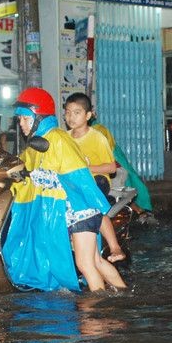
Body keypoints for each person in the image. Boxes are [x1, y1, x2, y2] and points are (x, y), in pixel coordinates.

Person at [2, 87, 126, 292]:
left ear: (37, 116)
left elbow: (69, 176)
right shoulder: (39, 142)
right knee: (96, 262)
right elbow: (23, 163)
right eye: (20, 120)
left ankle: (98, 309)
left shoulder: (56, 139)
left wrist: (31, 175)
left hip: (81, 209)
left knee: (85, 264)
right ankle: (124, 293)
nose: (21, 124)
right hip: (77, 210)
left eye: (25, 119)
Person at [63, 92, 126, 262]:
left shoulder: (97, 137)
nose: (71, 117)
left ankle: (115, 247)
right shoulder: (64, 139)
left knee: (94, 203)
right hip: (74, 182)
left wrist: (86, 169)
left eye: (77, 112)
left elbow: (112, 167)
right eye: (68, 112)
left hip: (97, 180)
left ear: (88, 115)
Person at [90, 117, 158, 225]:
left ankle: (139, 215)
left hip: (114, 171)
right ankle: (141, 214)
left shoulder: (97, 131)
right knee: (116, 199)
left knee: (116, 199)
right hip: (112, 171)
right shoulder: (95, 130)